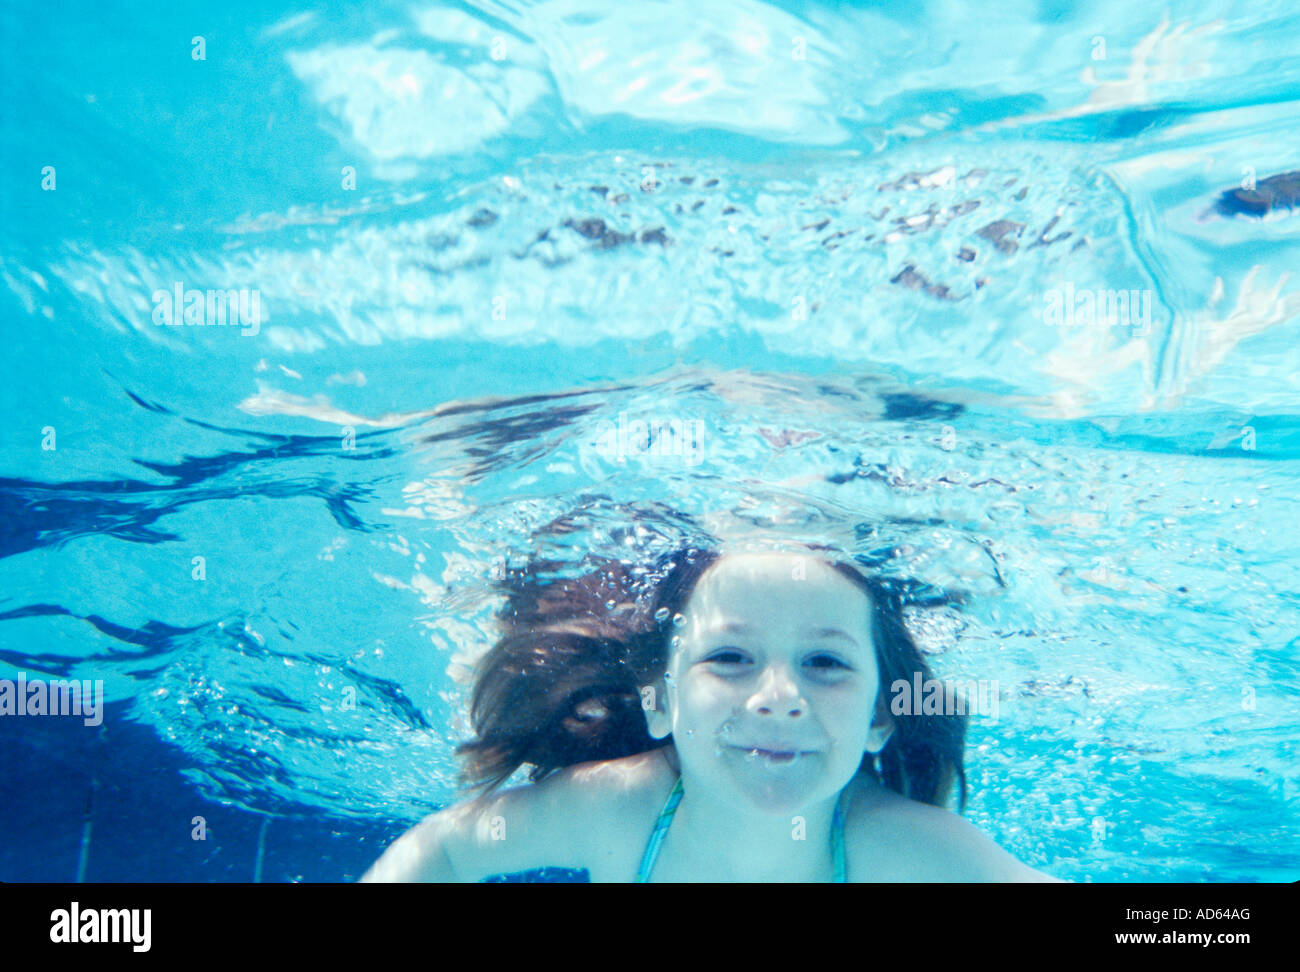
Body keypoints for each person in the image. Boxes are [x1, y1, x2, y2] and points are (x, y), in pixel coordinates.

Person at [362, 543, 1060, 882]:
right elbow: (447, 847)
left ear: (882, 716)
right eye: (729, 658)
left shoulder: (893, 843)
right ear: (661, 701)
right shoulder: (620, 810)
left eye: (825, 663)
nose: (778, 696)